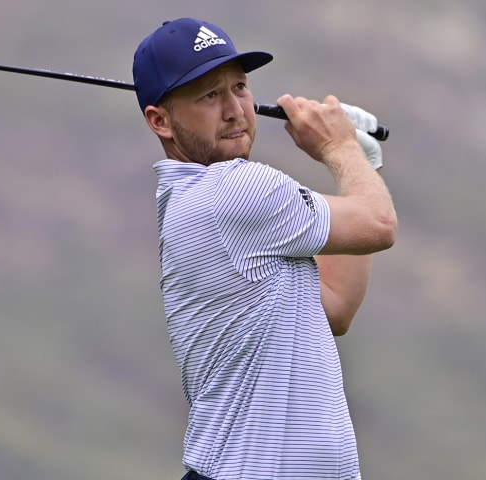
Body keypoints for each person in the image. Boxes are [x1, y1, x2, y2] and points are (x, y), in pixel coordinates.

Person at [132, 18, 397, 480]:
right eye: (209, 95)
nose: (235, 109)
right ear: (160, 121)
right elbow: (378, 224)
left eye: (239, 87)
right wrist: (341, 148)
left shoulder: (200, 201)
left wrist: (362, 160)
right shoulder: (234, 190)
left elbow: (334, 306)